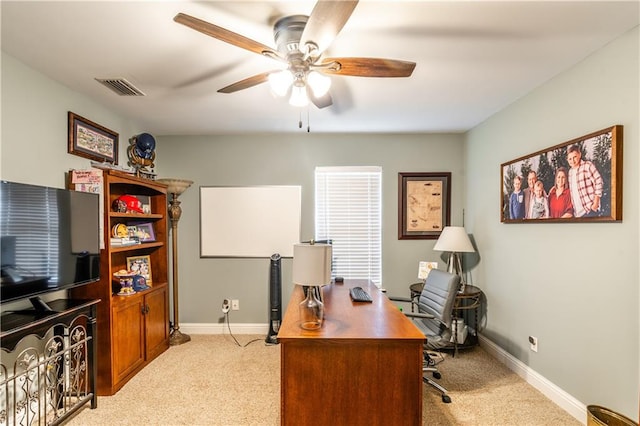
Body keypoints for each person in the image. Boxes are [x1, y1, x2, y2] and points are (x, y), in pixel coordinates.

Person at [566, 144, 603, 217]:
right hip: (578, 214)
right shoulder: (570, 172)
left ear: (579, 155)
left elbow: (599, 181)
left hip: (589, 210)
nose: (572, 161)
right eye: (570, 159)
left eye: (574, 157)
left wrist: (595, 203)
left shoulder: (587, 166)